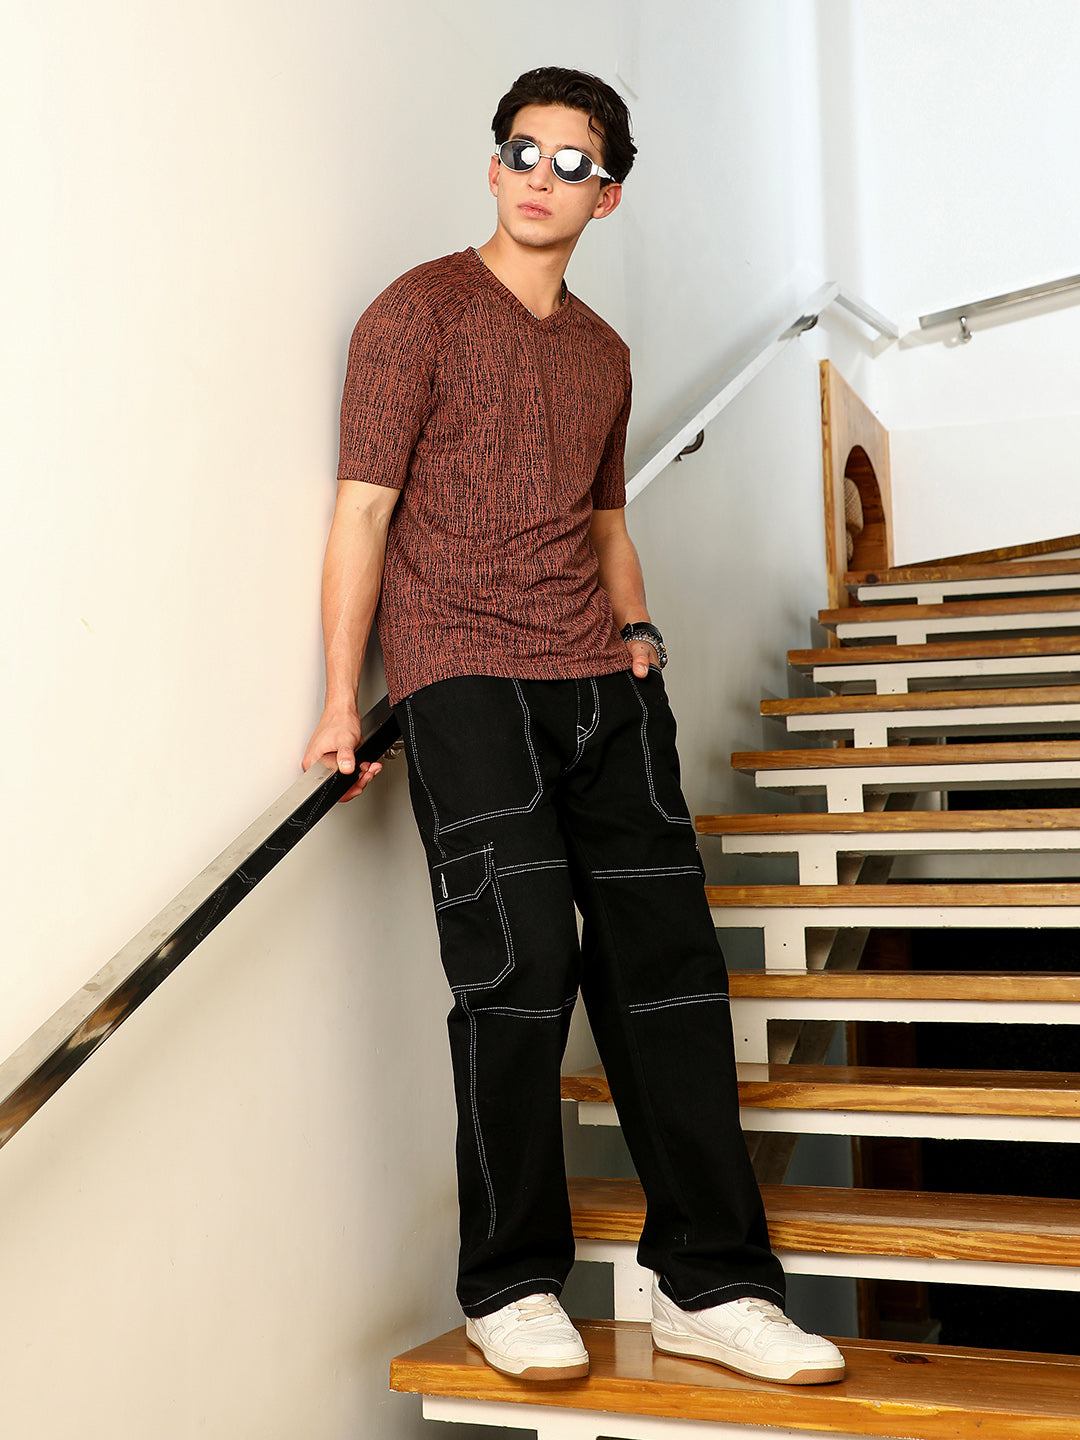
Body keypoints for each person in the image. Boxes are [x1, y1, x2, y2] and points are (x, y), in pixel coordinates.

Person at [302, 66, 845, 1388]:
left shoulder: (603, 353)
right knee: (522, 960)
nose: (540, 178)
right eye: (522, 151)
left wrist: (640, 641)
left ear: (608, 195)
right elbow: (363, 510)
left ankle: (711, 1284)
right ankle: (509, 1282)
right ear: (493, 165)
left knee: (673, 971)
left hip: (604, 682)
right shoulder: (416, 312)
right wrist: (336, 700)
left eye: (572, 162)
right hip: (463, 676)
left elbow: (606, 525)